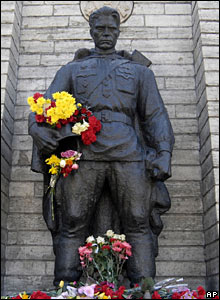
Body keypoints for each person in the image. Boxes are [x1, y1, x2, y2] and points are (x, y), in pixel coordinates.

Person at [28, 6, 175, 287]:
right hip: (84, 153)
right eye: (100, 29)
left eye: (111, 29)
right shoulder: (71, 70)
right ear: (91, 31)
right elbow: (43, 108)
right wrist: (35, 130)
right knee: (72, 221)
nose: (106, 34)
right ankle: (65, 287)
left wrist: (164, 153)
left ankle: (143, 288)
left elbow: (155, 115)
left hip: (128, 153)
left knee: (138, 221)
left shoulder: (138, 73)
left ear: (118, 32)